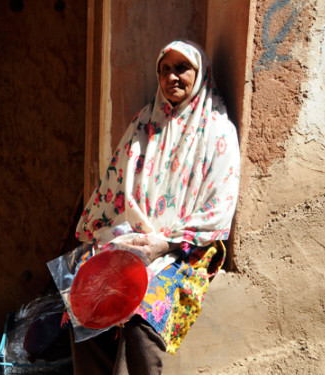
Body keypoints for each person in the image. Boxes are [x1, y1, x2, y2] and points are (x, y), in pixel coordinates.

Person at [70, 40, 240, 375]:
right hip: (135, 240)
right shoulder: (144, 123)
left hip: (185, 249)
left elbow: (220, 208)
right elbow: (116, 188)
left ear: (200, 73)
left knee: (141, 318)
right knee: (85, 307)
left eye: (182, 69)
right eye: (165, 69)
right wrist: (109, 238)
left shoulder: (218, 129)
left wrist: (164, 243)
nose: (172, 77)